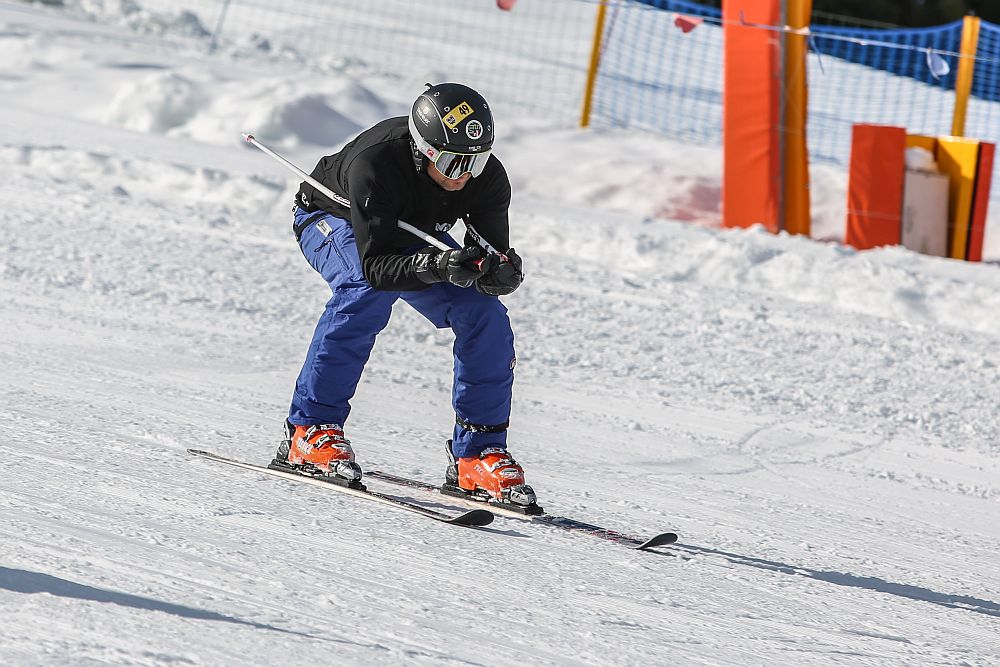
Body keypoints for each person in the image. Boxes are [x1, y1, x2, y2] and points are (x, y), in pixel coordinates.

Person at [272, 82, 536, 509]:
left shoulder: (485, 178)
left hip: (415, 235)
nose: (465, 174)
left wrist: (498, 273)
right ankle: (310, 430)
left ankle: (477, 454)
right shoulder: (375, 164)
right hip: (334, 219)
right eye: (452, 164)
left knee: (484, 312)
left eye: (478, 160)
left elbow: (488, 256)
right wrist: (435, 266)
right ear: (424, 150)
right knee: (363, 291)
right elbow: (377, 268)